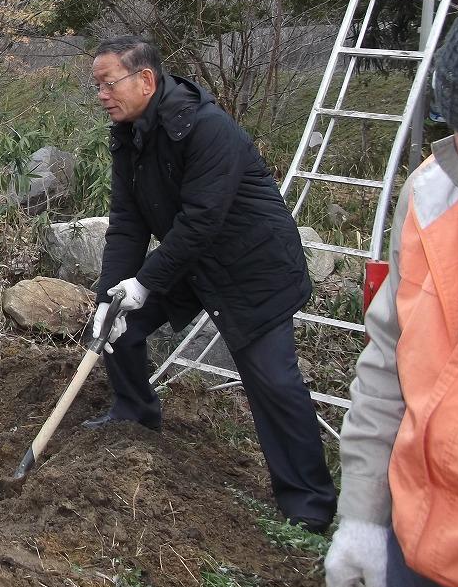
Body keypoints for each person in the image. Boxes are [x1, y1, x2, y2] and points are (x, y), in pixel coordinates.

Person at [87, 35, 336, 531]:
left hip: (252, 269)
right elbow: (127, 223)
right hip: (191, 263)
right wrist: (109, 295)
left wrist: (145, 283)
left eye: (107, 83)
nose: (101, 95)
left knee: (273, 382)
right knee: (119, 326)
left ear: (146, 80)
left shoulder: (207, 128)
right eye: (96, 86)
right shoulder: (129, 136)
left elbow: (202, 222)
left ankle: (309, 505)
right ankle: (135, 414)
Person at [324, 21, 458, 587]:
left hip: (254, 277)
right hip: (424, 545)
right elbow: (388, 361)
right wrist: (363, 516)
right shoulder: (435, 192)